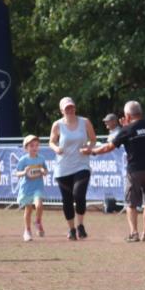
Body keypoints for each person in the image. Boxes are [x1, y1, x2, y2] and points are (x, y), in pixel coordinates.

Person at [91, 101, 145, 242]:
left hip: (134, 171)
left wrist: (92, 151)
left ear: (128, 115)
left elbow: (108, 147)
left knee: (131, 203)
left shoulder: (126, 130)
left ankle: (134, 233)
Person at [49, 96, 96, 240]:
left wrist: (89, 148)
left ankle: (80, 225)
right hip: (63, 168)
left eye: (72, 107)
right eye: (67, 108)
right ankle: (71, 229)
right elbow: (51, 141)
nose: (70, 110)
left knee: (79, 194)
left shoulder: (84, 122)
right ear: (61, 110)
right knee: (67, 200)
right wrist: (56, 149)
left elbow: (93, 139)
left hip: (81, 165)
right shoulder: (57, 125)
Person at [15, 135, 49, 242]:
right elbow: (17, 173)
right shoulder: (23, 160)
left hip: (37, 187)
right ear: (26, 148)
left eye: (36, 145)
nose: (34, 148)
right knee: (28, 210)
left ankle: (38, 222)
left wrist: (44, 171)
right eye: (31, 146)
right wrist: (24, 172)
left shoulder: (41, 158)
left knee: (39, 205)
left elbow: (45, 170)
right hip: (26, 188)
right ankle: (27, 231)